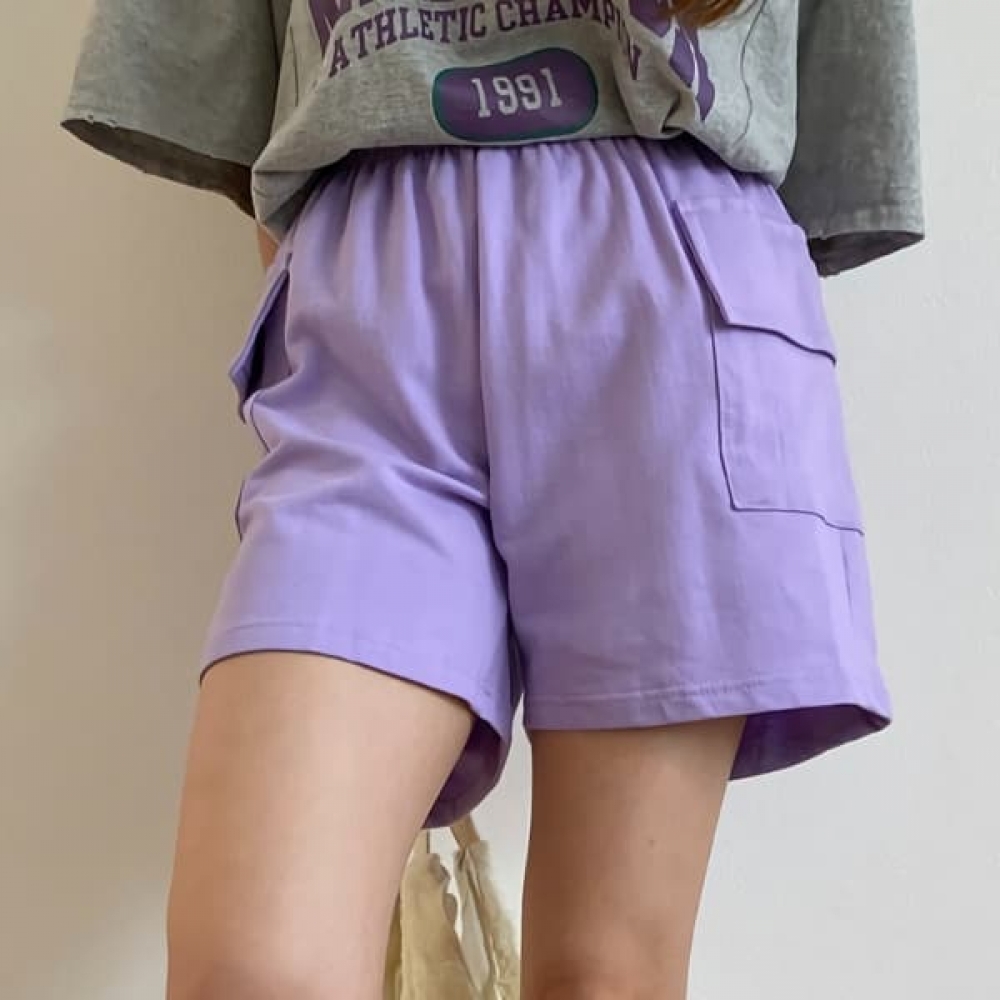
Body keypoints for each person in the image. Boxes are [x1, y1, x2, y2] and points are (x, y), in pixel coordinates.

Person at [63, 1, 923, 997]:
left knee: (603, 976)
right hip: (368, 321)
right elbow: (254, 114)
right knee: (255, 968)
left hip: (668, 297)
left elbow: (824, 133)